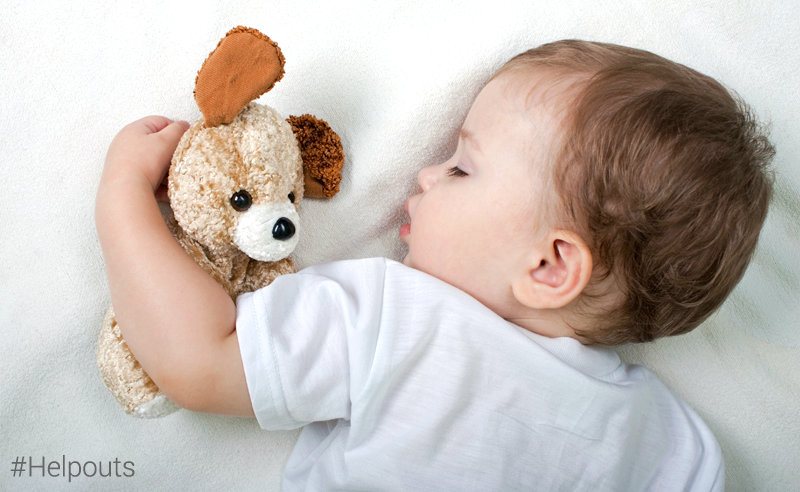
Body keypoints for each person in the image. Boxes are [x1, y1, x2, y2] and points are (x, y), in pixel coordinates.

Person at [95, 40, 774, 490]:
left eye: (461, 167)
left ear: (549, 265)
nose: (424, 174)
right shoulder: (670, 444)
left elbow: (201, 360)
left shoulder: (392, 320)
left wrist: (123, 195)